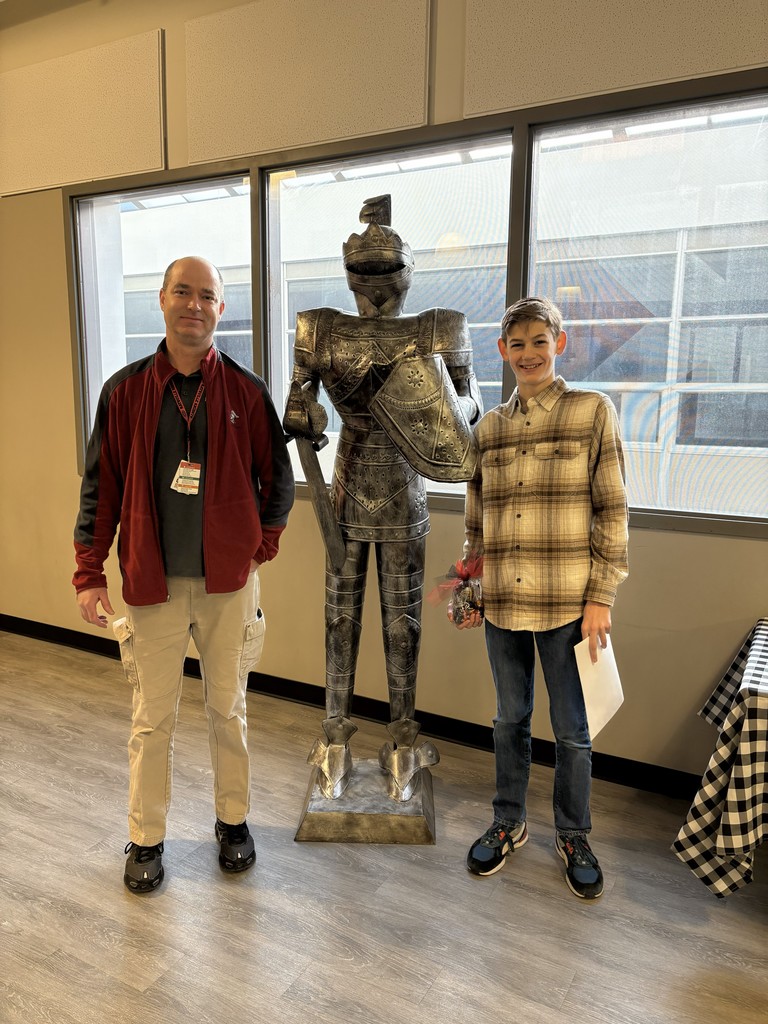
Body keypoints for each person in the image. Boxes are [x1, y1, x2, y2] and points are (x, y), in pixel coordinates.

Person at [73, 256, 295, 893]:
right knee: (152, 717)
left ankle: (234, 822)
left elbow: (277, 482)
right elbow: (101, 490)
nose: (194, 305)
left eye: (207, 296)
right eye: (182, 292)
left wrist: (261, 547)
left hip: (228, 587)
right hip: (153, 585)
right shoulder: (123, 391)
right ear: (161, 301)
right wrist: (90, 573)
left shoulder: (248, 394)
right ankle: (146, 836)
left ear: (220, 309)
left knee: (228, 709)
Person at [283, 195, 482, 802]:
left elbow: (469, 411)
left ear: (406, 272)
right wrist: (303, 413)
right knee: (340, 617)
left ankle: (401, 735)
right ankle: (336, 733)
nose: (374, 286)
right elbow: (298, 404)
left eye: (384, 272)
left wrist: (440, 408)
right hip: (344, 487)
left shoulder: (440, 327)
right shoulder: (317, 327)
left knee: (402, 621)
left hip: (404, 485)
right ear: (349, 275)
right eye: (363, 274)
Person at [451, 296, 628, 899]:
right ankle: (509, 823)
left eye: (539, 342)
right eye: (517, 344)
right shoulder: (488, 430)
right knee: (509, 721)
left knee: (573, 730)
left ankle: (574, 833)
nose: (529, 354)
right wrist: (470, 586)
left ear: (560, 343)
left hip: (568, 607)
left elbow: (613, 510)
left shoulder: (591, 413)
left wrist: (601, 596)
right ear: (503, 351)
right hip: (502, 603)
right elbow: (476, 522)